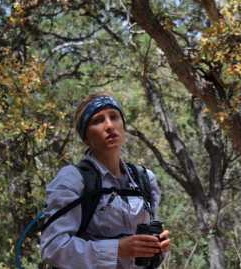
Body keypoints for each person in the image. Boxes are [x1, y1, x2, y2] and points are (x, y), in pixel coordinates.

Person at [41, 92, 171, 268]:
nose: (110, 126)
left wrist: (157, 248)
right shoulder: (72, 179)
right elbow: (53, 248)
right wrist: (117, 249)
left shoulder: (145, 179)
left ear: (123, 125)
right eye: (98, 121)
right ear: (86, 138)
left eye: (114, 117)